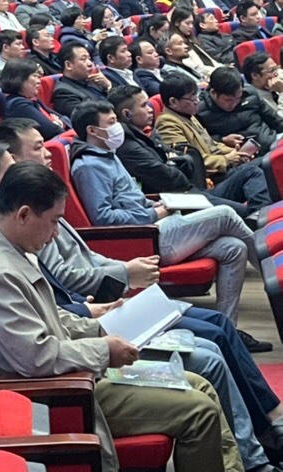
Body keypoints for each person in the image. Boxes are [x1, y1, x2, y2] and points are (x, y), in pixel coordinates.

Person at [0, 161, 251, 472]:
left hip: (75, 371)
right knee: (199, 411)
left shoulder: (9, 249)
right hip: (62, 392)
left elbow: (49, 317)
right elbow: (36, 357)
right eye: (53, 221)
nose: (56, 234)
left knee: (201, 385)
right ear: (23, 214)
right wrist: (104, 349)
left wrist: (101, 325)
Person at [70, 101, 255, 321]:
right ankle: (274, 275)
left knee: (234, 247)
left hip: (156, 226)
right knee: (224, 213)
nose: (118, 127)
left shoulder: (107, 154)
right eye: (111, 123)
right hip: (145, 239)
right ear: (92, 130)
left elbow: (130, 199)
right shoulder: (88, 166)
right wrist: (153, 214)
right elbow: (103, 218)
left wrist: (154, 205)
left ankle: (229, 325)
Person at [153, 74, 272, 215]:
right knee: (253, 171)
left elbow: (211, 144)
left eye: (196, 96)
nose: (197, 101)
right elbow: (191, 163)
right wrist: (227, 159)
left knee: (267, 161)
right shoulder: (167, 123)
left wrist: (235, 153)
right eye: (192, 98)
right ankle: (262, 216)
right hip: (206, 184)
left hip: (220, 173)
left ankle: (262, 213)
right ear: (173, 101)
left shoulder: (187, 115)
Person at [0, 59, 69, 139]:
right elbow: (52, 131)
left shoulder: (33, 100)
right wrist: (58, 124)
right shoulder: (17, 105)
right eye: (35, 76)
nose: (39, 81)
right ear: (20, 79)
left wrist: (57, 123)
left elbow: (66, 119)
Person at [51, 42, 112, 116]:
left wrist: (108, 86)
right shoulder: (63, 94)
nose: (90, 63)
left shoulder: (95, 80)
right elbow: (89, 117)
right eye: (83, 59)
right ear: (68, 65)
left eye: (89, 59)